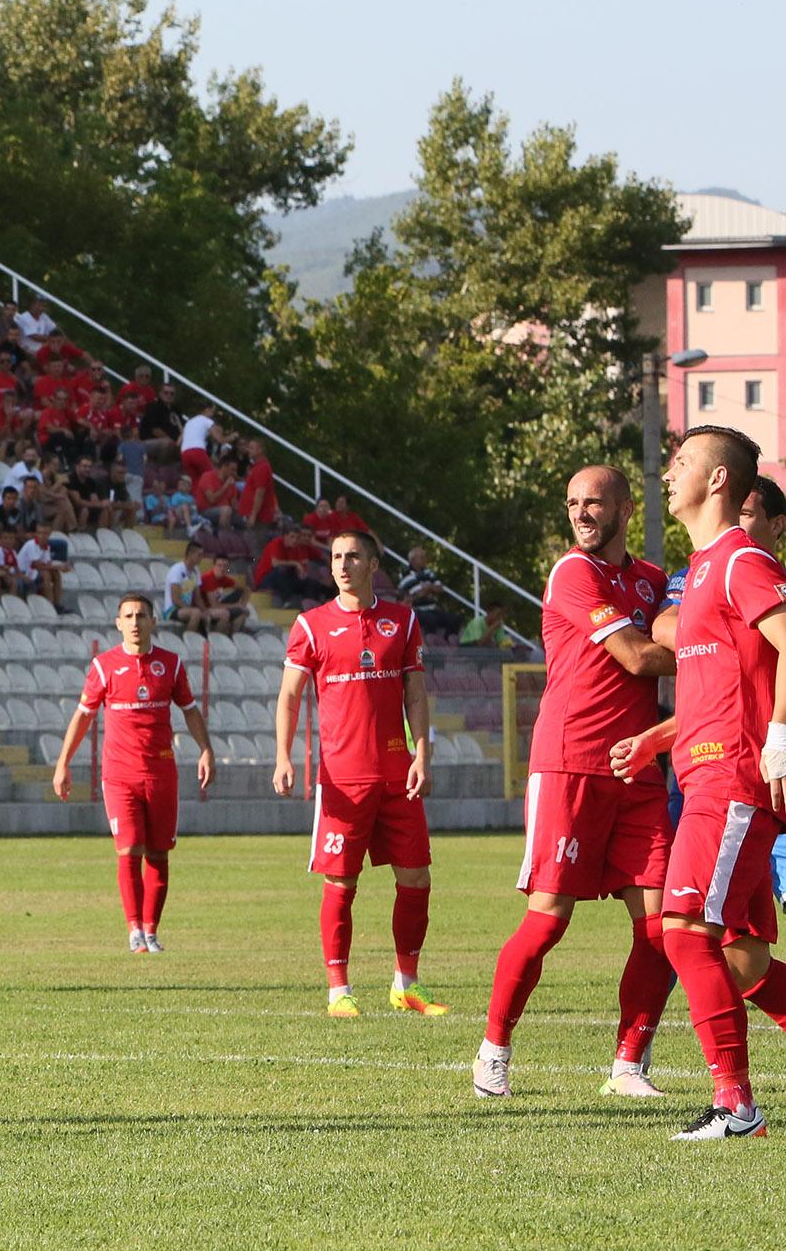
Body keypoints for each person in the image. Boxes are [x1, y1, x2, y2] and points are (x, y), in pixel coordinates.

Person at [471, 466, 674, 1100]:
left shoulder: (653, 581)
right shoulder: (571, 573)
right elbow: (640, 657)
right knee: (548, 919)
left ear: (625, 507)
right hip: (570, 762)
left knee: (662, 926)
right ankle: (494, 1048)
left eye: (593, 502)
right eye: (572, 504)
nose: (581, 513)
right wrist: (713, 651)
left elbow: (668, 639)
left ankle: (628, 1064)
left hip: (638, 767)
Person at [610, 428, 786, 1139]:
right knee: (740, 957)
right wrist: (659, 734)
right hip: (708, 771)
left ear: (717, 481)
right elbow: (725, 687)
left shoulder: (741, 558)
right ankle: (733, 1102)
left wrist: (778, 735)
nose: (666, 472)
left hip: (733, 779)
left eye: (681, 462)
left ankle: (735, 1105)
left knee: (682, 931)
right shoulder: (705, 566)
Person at [273, 530, 442, 1018]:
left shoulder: (403, 621)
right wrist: (284, 756)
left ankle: (406, 984)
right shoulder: (310, 625)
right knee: (341, 884)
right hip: (343, 780)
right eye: (336, 558)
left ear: (374, 562)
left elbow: (415, 694)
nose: (343, 565)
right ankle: (338, 990)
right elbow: (289, 696)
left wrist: (422, 753)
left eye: (353, 557)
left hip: (397, 774)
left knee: (416, 878)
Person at [51, 592, 215, 953]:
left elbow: (189, 709)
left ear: (153, 622)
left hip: (161, 772)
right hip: (119, 774)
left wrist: (206, 750)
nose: (136, 622)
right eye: (129, 616)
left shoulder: (170, 665)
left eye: (142, 615)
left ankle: (152, 929)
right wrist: (63, 763)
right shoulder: (104, 666)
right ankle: (134, 931)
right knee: (128, 849)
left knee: (159, 853)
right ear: (118, 623)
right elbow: (82, 716)